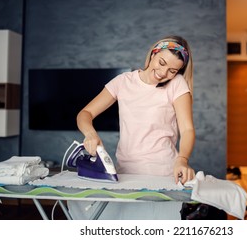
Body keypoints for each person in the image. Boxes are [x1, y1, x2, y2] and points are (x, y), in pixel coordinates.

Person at [68, 35, 196, 219]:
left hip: (162, 173)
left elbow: (187, 129)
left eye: (172, 71)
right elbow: (85, 114)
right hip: (126, 172)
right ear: (153, 53)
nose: (163, 72)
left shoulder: (177, 85)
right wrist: (90, 134)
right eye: (161, 62)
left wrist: (182, 159)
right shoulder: (123, 82)